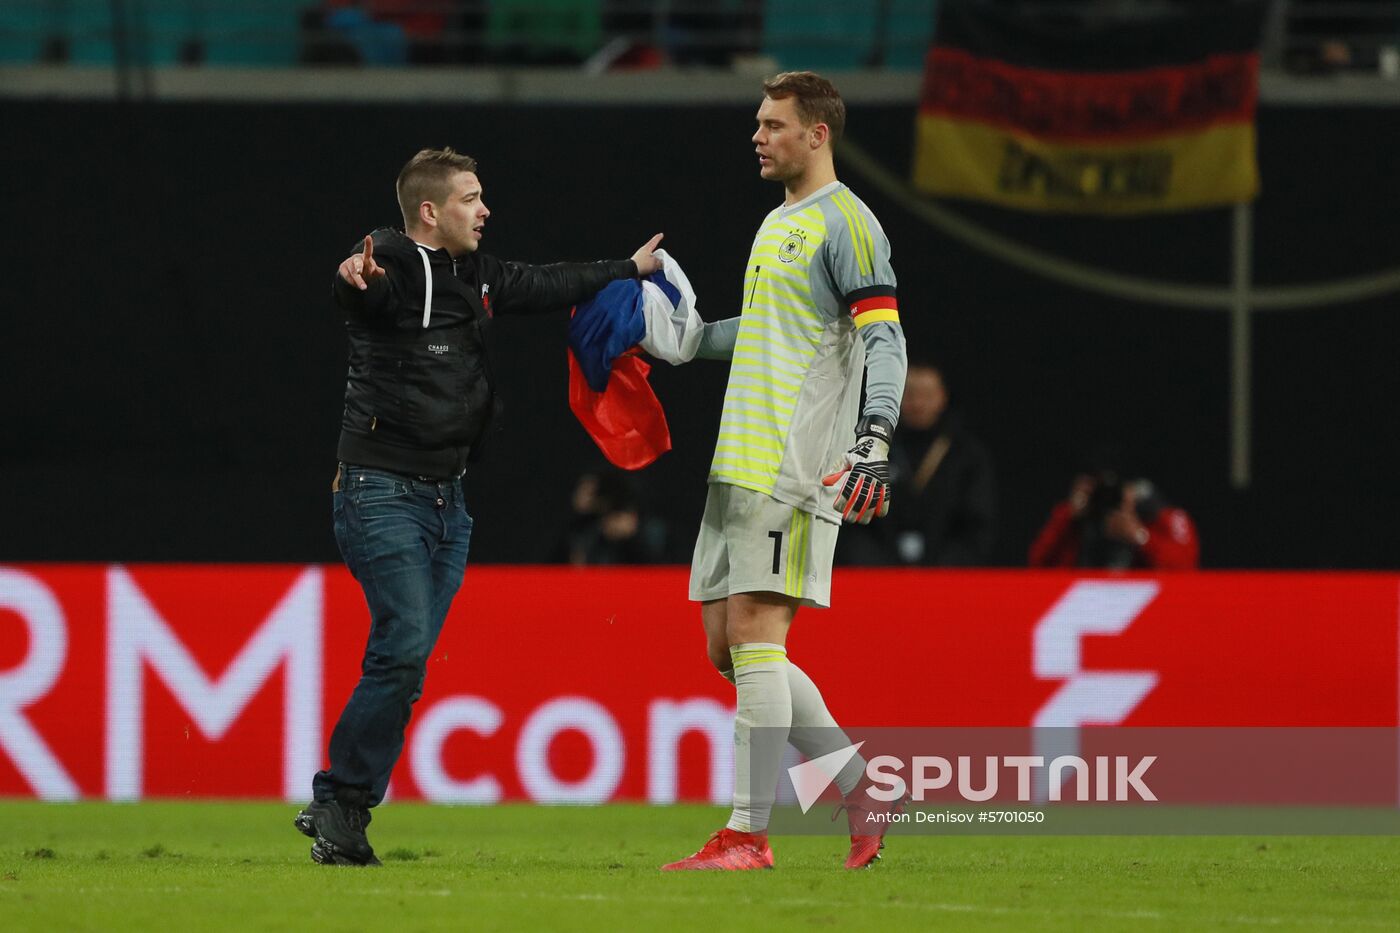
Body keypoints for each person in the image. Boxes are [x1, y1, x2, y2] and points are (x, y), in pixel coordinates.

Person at [294, 147, 662, 866]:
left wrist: (627, 268)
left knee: (408, 660)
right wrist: (352, 279)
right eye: (471, 197)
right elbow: (365, 287)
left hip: (447, 501)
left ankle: (343, 811)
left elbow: (548, 281)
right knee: (401, 646)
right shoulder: (394, 263)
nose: (485, 208)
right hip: (381, 492)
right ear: (431, 210)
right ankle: (341, 799)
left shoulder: (477, 275)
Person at [660, 72, 909, 872]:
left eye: (773, 125)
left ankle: (747, 831)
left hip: (794, 461)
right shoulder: (778, 223)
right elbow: (764, 330)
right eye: (758, 124)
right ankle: (861, 786)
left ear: (817, 133)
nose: (758, 137)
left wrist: (875, 436)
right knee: (726, 651)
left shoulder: (850, 224)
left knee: (759, 637)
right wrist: (683, 339)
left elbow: (884, 337)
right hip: (738, 458)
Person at [837, 361, 997, 566]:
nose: (918, 403)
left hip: (949, 577)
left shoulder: (967, 455)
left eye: (927, 395)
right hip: (875, 576)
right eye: (910, 394)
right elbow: (851, 520)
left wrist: (943, 572)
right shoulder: (869, 449)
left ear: (942, 396)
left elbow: (977, 525)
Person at [1029, 467, 1199, 570]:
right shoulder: (1071, 518)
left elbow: (1184, 570)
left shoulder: (1161, 516)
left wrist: (1140, 537)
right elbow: (1037, 566)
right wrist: (1068, 519)